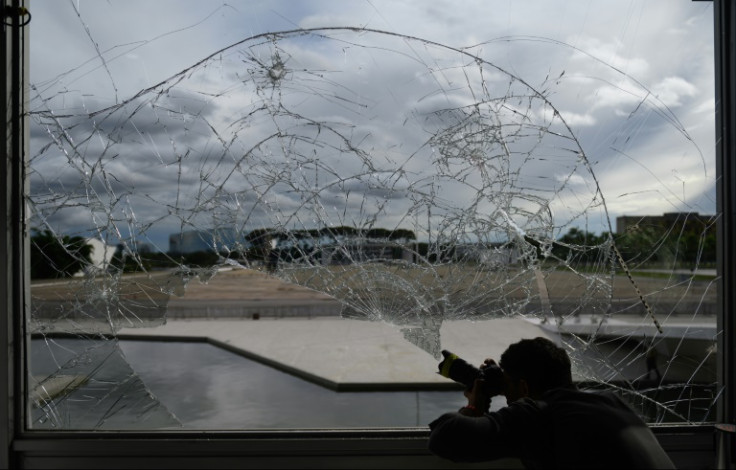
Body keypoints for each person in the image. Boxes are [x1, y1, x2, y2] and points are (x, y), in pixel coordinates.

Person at [428, 337, 675, 469]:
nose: (509, 398)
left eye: (508, 388)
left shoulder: (540, 412)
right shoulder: (610, 401)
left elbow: (445, 438)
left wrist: (476, 402)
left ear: (524, 388)